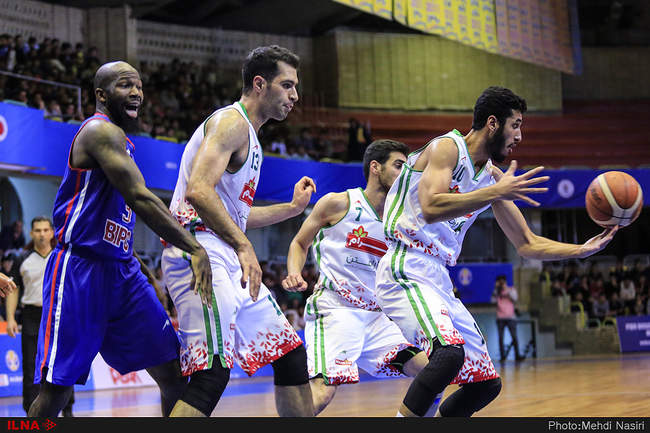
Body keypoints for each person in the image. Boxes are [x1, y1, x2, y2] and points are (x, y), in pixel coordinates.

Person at [375, 86, 617, 417]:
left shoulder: (491, 177)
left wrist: (582, 250)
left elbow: (527, 243)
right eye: (515, 125)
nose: (519, 135)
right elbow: (431, 207)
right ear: (492, 123)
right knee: (448, 355)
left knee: (485, 384)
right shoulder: (447, 148)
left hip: (438, 277)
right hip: (405, 265)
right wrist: (496, 191)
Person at [28, 61, 213, 417]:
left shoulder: (122, 141)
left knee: (174, 372)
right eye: (126, 85)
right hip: (79, 271)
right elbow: (140, 197)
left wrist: (143, 269)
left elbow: (114, 221)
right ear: (101, 94)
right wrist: (193, 246)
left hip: (122, 272)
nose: (137, 93)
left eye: (139, 86)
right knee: (56, 392)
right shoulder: (99, 131)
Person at [161, 45, 316, 417]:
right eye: (287, 85)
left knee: (290, 355)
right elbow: (199, 191)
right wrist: (245, 247)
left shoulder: (251, 135)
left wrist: (292, 209)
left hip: (224, 250)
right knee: (212, 374)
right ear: (259, 84)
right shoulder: (231, 122)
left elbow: (235, 217)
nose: (295, 95)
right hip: (199, 250)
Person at [282, 139, 435, 416]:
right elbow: (299, 243)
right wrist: (294, 272)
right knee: (321, 394)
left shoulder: (399, 220)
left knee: (433, 374)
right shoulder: (339, 203)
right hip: (336, 310)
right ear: (375, 167)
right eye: (398, 165)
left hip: (377, 318)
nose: (404, 173)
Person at [5, 217, 75, 416]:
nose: (42, 234)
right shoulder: (22, 259)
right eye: (38, 230)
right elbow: (13, 289)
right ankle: (31, 413)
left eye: (45, 230)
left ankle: (68, 411)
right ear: (31, 233)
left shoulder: (62, 256)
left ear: (52, 232)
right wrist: (10, 317)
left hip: (60, 316)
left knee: (64, 366)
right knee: (30, 368)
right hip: (31, 317)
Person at [491, 274, 524, 362]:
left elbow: (515, 298)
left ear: (505, 282)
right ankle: (502, 357)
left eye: (502, 281)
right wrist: (496, 290)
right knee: (500, 338)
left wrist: (506, 289)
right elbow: (492, 301)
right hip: (500, 318)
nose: (501, 283)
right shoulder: (497, 292)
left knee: (514, 337)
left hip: (511, 317)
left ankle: (517, 355)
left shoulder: (511, 289)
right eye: (500, 282)